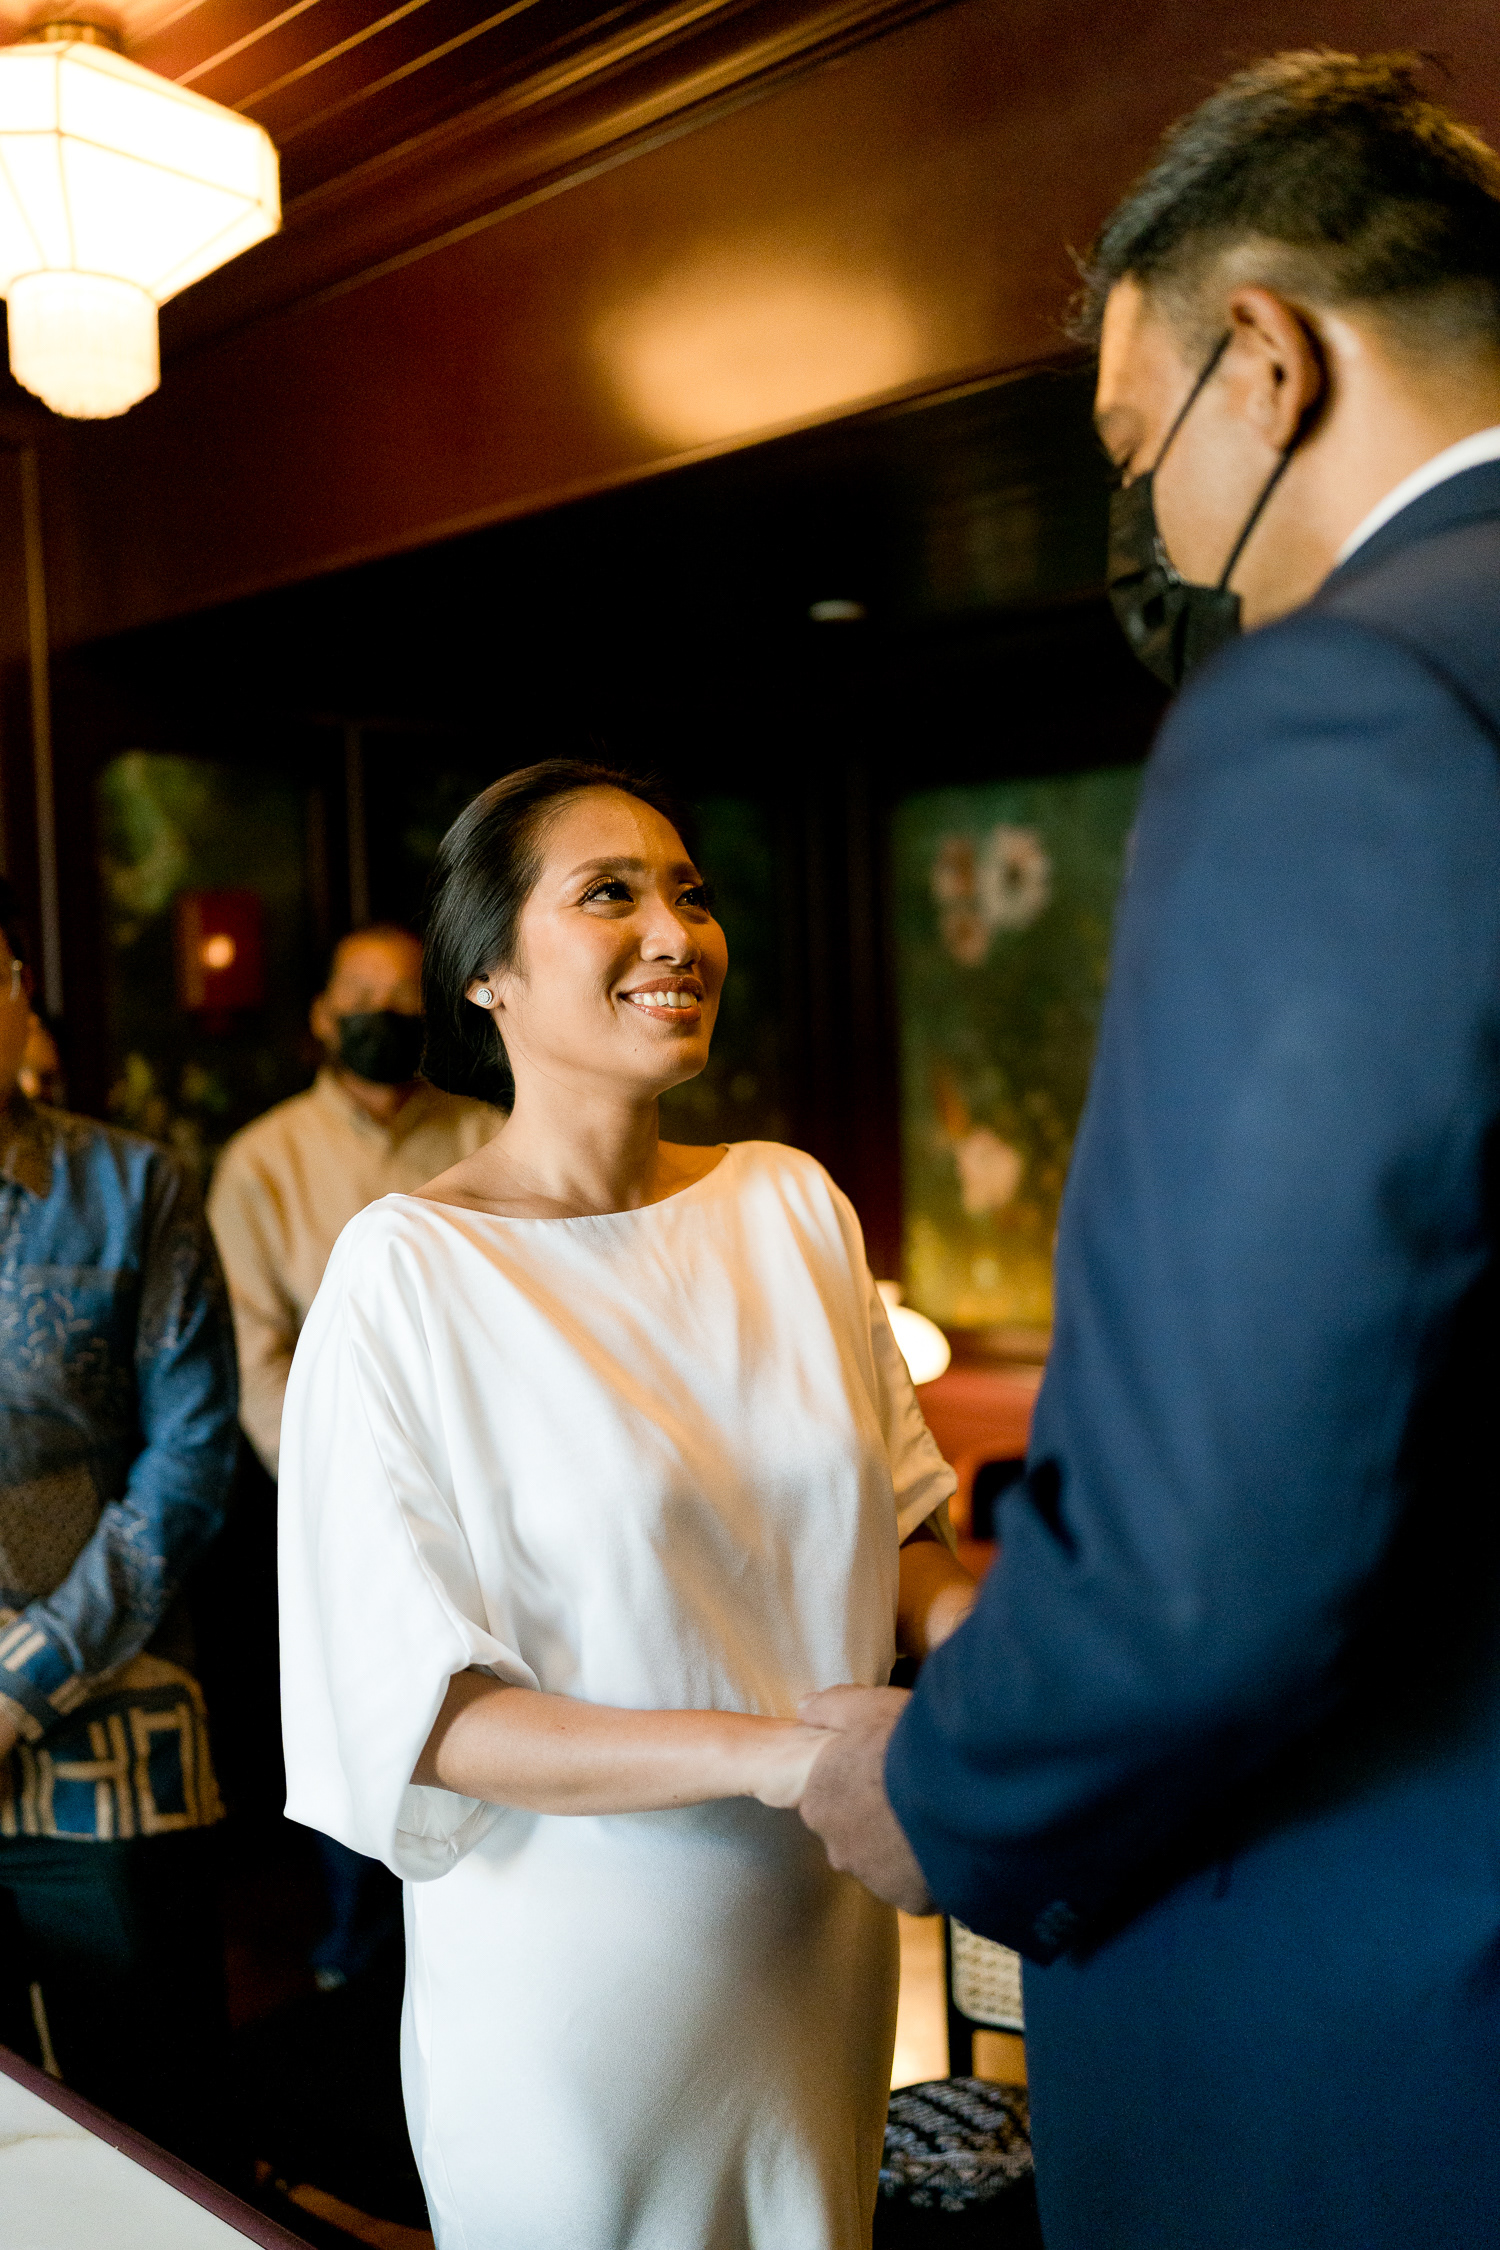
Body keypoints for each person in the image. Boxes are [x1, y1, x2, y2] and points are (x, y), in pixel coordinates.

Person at [797, 51, 1500, 2250]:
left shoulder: (1347, 703)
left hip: (1383, 2031)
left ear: (1266, 361)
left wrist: (947, 1790)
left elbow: (1210, 1551)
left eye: (1134, 450)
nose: (1157, 535)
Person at [277, 761, 976, 2250]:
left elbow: (901, 1531)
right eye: (610, 894)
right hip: (577, 1995)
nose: (675, 931)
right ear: (487, 974)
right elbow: (431, 1718)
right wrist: (788, 1760)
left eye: (690, 893)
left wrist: (996, 1645)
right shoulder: (407, 1273)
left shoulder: (793, 1205)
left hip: (819, 1945)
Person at [0, 877, 240, 2171]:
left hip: (109, 1737)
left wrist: (18, 1686)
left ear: (20, 995)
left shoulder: (133, 1187)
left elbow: (189, 1464)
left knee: (157, 2137)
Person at [209, 922, 503, 1480]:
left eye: (403, 994)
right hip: (334, 1463)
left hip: (488, 1453)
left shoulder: (493, 1139)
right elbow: (250, 1350)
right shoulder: (261, 1162)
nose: (382, 1010)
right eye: (361, 995)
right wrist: (329, 1476)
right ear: (324, 1016)